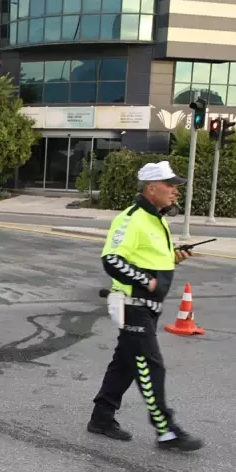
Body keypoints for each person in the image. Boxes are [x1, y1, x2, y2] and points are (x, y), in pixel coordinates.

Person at [88, 161, 203, 451]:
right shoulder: (132, 219)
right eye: (170, 185)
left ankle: (101, 417)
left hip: (147, 307)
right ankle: (166, 430)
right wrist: (147, 282)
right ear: (152, 188)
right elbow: (112, 259)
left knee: (126, 363)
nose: (176, 191)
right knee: (151, 367)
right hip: (133, 305)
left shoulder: (158, 219)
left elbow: (148, 258)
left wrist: (174, 257)